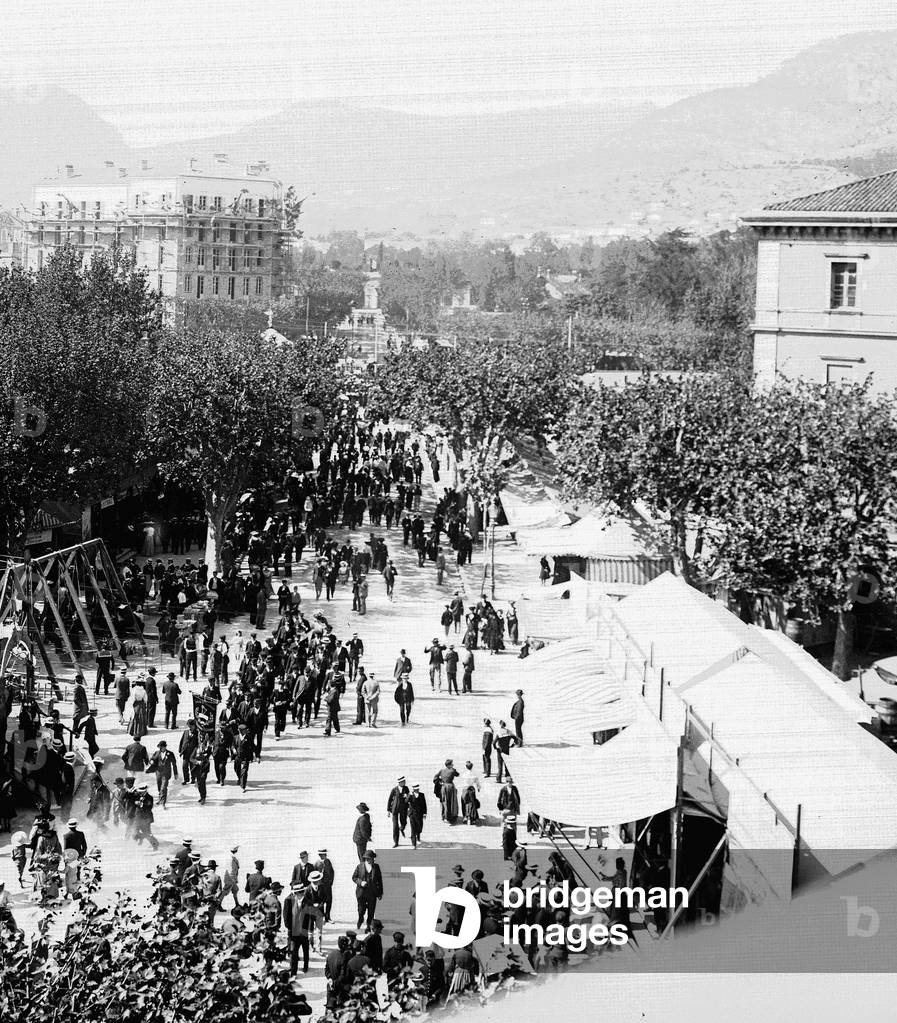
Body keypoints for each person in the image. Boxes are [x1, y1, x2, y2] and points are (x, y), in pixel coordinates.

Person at [352, 850, 383, 932]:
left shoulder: (376, 867)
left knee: (371, 911)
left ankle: (369, 925)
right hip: (361, 893)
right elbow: (354, 877)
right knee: (361, 910)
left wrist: (380, 893)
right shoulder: (359, 866)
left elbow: (379, 880)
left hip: (372, 893)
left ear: (373, 859)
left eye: (370, 859)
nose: (369, 861)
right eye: (367, 859)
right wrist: (361, 882)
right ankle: (360, 918)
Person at [387, 775, 409, 848]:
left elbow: (408, 798)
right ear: (400, 782)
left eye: (404, 781)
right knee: (395, 826)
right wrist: (388, 810)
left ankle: (402, 828)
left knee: (404, 822)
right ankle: (396, 842)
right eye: (403, 782)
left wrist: (407, 797)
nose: (405, 783)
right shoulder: (394, 789)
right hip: (395, 809)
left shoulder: (406, 788)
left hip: (403, 809)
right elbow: (390, 799)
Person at [435, 759, 459, 824]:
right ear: (449, 765)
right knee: (452, 801)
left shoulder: (442, 770)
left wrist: (440, 782)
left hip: (444, 787)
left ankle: (444, 816)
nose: (452, 765)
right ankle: (451, 816)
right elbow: (458, 774)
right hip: (450, 787)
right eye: (451, 764)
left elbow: (435, 778)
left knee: (444, 801)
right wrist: (453, 769)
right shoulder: (452, 770)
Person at [407, 783, 427, 848]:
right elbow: (406, 801)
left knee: (419, 828)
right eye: (415, 789)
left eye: (418, 789)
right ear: (413, 789)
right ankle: (414, 844)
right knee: (413, 829)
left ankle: (418, 836)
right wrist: (409, 795)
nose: (417, 790)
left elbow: (424, 804)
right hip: (412, 814)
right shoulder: (410, 795)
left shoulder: (422, 795)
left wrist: (424, 813)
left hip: (419, 815)